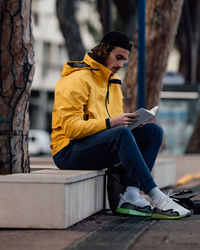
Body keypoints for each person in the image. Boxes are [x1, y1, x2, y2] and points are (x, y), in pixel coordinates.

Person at [51, 31, 191, 219]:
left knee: (153, 132)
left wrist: (131, 124)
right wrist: (112, 123)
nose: (120, 65)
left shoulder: (113, 82)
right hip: (68, 151)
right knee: (120, 133)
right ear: (103, 51)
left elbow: (113, 126)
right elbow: (71, 129)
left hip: (96, 145)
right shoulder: (75, 80)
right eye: (118, 58)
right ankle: (156, 196)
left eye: (124, 60)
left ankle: (131, 195)